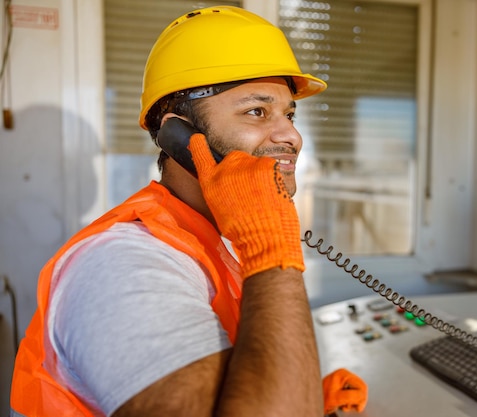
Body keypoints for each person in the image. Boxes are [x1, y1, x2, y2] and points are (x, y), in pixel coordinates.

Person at [10, 6, 367, 417]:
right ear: (179, 134)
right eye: (257, 111)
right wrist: (273, 249)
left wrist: (298, 395)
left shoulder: (216, 242)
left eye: (288, 114)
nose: (292, 135)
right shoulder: (122, 265)